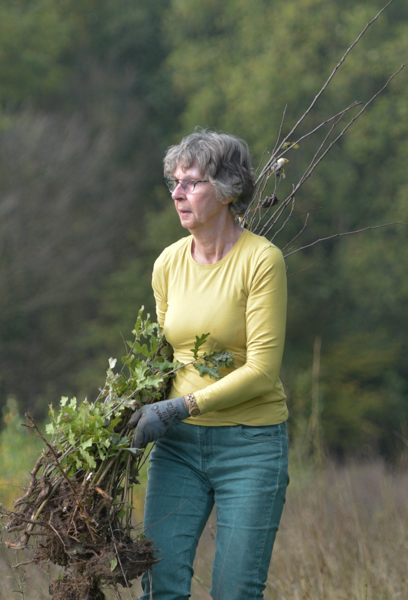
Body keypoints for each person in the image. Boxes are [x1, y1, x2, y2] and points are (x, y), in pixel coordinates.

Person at [128, 130, 290, 599]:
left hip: (250, 446)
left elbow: (262, 369)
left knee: (235, 591)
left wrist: (180, 406)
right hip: (178, 448)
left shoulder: (261, 261)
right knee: (161, 585)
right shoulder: (167, 264)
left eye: (191, 183)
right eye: (173, 183)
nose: (177, 194)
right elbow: (163, 356)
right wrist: (135, 411)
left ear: (227, 191)